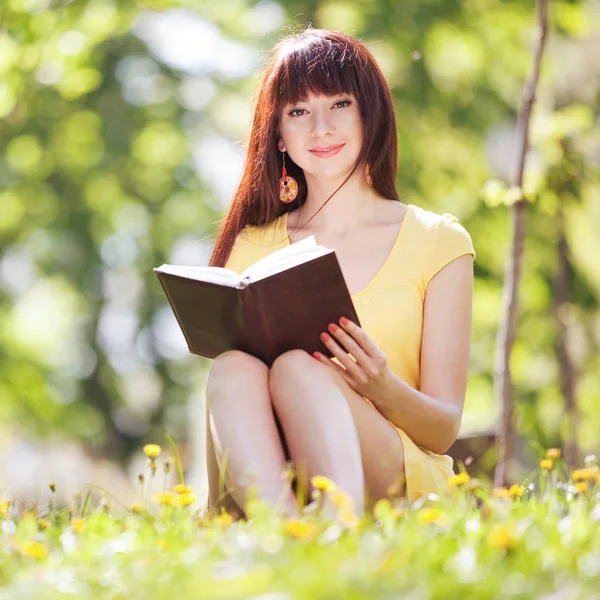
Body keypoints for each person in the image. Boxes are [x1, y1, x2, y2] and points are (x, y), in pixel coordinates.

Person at [204, 27, 475, 521]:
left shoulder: (437, 240)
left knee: (298, 369)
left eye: (340, 104)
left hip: (396, 482)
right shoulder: (250, 245)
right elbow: (232, 409)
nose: (321, 128)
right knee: (231, 368)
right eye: (299, 112)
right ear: (279, 134)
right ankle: (285, 536)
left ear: (370, 113)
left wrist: (381, 385)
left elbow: (443, 430)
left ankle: (337, 530)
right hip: (273, 476)